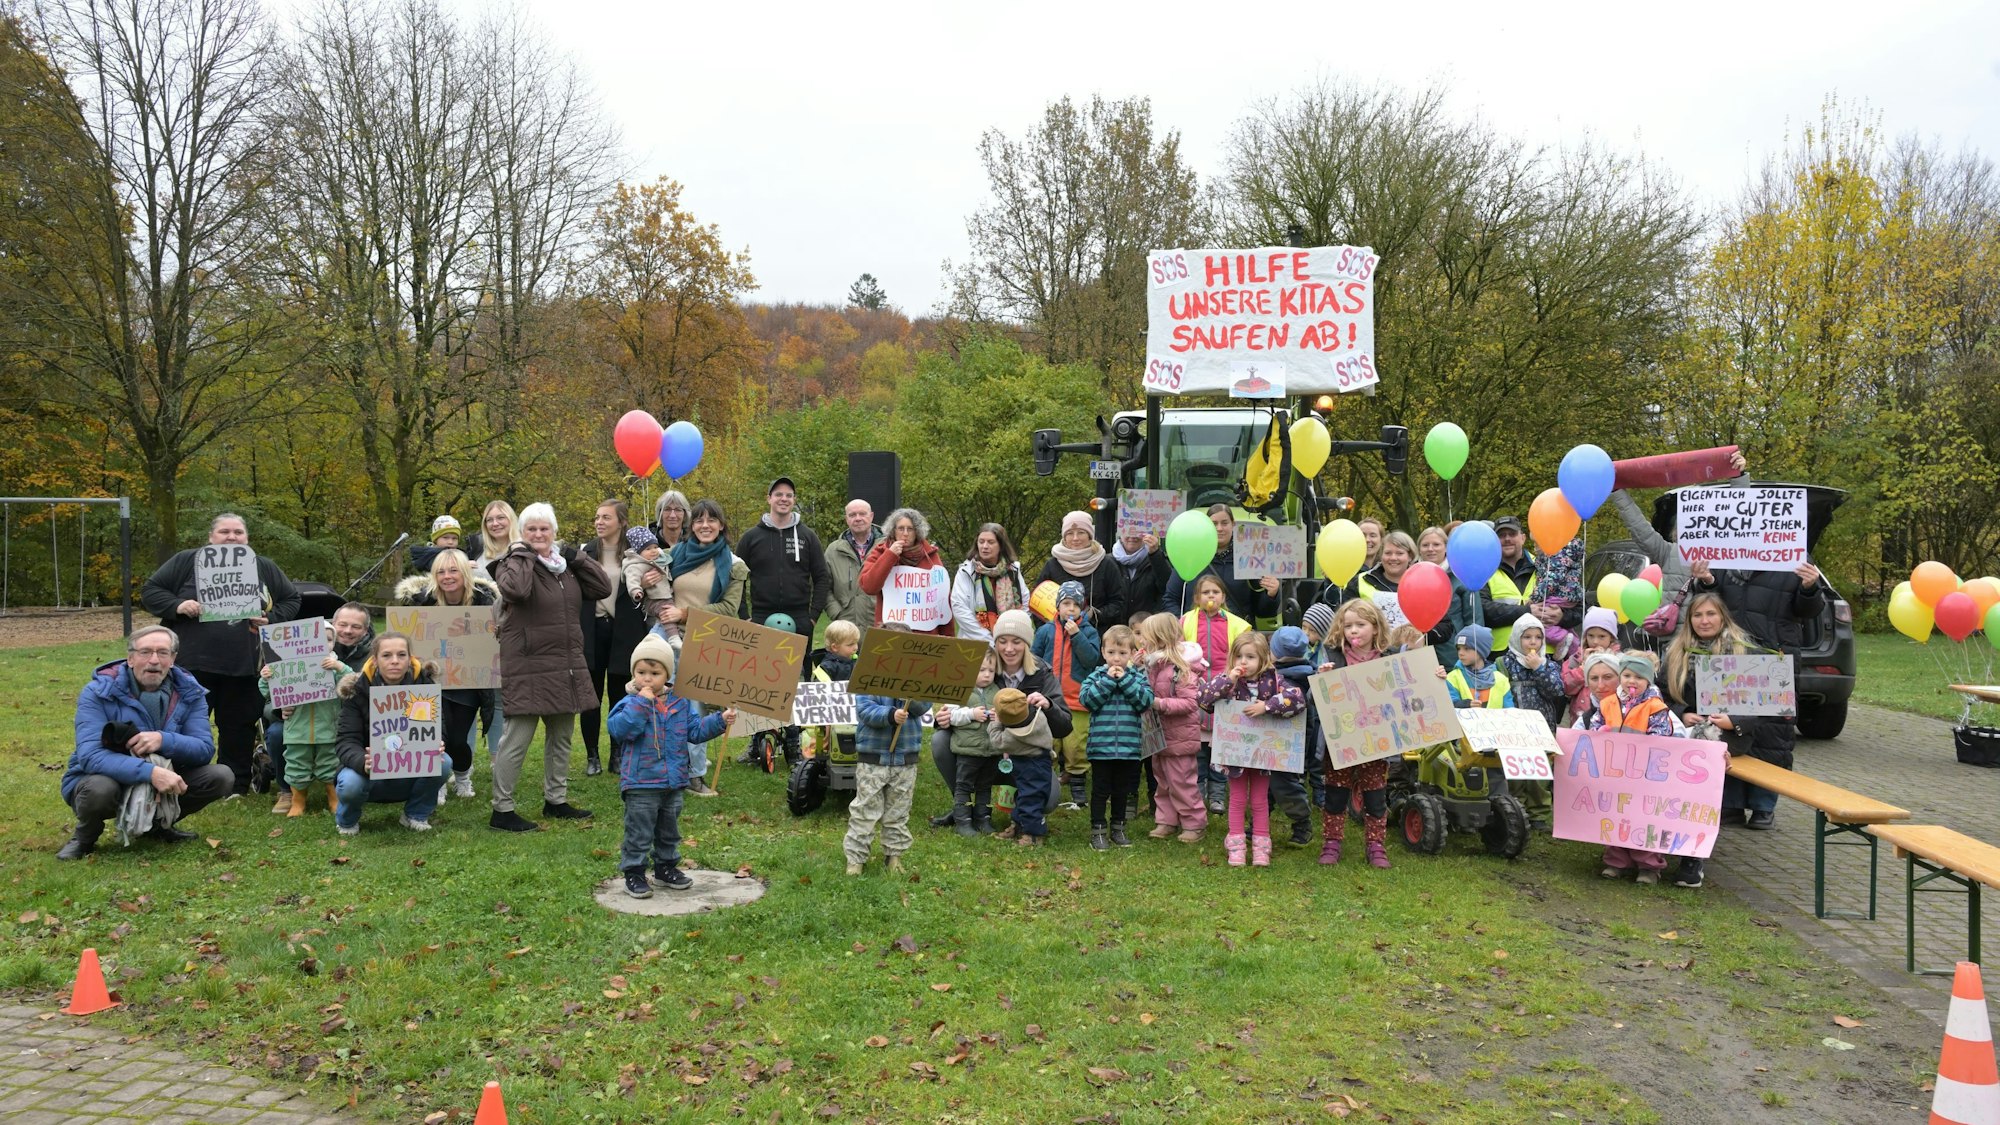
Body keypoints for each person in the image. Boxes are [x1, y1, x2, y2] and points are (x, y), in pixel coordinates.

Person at [139, 512, 301, 795]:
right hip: (191, 664)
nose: (231, 537)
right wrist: (178, 605)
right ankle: (177, 778)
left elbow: (292, 599)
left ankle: (235, 785)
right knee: (182, 723)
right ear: (211, 537)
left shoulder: (262, 566)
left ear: (247, 538)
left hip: (244, 664)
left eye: (238, 532)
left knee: (238, 726)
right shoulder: (187, 561)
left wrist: (271, 618)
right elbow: (151, 591)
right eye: (224, 531)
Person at [57, 625, 235, 859]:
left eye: (163, 653)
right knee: (99, 790)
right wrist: (151, 773)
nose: (154, 660)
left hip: (168, 773)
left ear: (172, 659)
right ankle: (85, 837)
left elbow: (203, 749)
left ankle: (158, 825)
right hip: (104, 777)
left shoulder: (190, 692)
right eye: (145, 652)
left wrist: (163, 740)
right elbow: (91, 756)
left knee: (221, 776)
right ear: (130, 658)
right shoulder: (97, 692)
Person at [487, 502, 612, 831]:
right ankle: (502, 810)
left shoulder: (565, 567)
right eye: (532, 529)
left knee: (561, 737)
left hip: (565, 664)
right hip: (528, 665)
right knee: (516, 740)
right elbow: (516, 590)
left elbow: (602, 587)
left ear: (554, 532)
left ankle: (556, 800)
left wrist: (577, 557)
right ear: (522, 533)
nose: (539, 535)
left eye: (545, 529)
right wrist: (524, 554)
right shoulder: (512, 563)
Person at [1661, 592, 1793, 887]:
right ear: (1689, 620)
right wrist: (1682, 713)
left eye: (1710, 614)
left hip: (1729, 737)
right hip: (1685, 731)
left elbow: (1767, 704)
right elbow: (1661, 695)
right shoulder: (1675, 652)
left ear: (1723, 617)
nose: (1704, 621)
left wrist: (1735, 721)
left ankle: (1692, 858)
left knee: (1697, 774)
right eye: (1697, 615)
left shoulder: (1745, 652)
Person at [606, 634, 733, 899]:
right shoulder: (629, 703)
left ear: (668, 674)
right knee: (639, 830)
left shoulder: (679, 703)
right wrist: (642, 703)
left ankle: (665, 867)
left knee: (669, 830)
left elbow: (695, 731)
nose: (647, 679)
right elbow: (620, 730)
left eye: (654, 672)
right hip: (641, 783)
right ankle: (634, 872)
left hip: (673, 782)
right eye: (641, 672)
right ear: (634, 674)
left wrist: (719, 720)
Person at [654, 499, 745, 795]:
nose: (705, 526)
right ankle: (653, 767)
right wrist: (646, 574)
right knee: (653, 698)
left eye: (712, 520)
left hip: (704, 639)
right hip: (666, 636)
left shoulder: (734, 565)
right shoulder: (674, 554)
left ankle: (694, 775)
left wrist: (685, 614)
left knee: (693, 707)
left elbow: (730, 609)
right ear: (691, 525)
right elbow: (639, 563)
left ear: (721, 525)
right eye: (699, 520)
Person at [1196, 631, 1307, 868]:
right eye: (1239, 656)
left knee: (1259, 800)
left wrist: (1267, 706)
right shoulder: (1229, 680)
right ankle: (1236, 845)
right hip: (1235, 754)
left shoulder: (1275, 679)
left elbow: (1297, 699)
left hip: (1262, 754)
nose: (1244, 662)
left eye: (1250, 657)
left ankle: (1261, 846)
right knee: (1237, 798)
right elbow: (1204, 700)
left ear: (1264, 659)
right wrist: (1228, 679)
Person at [393, 550, 496, 800]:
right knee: (434, 735)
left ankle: (462, 775)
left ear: (464, 573)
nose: (447, 577)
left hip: (469, 682)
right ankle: (436, 780)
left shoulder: (485, 601)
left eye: (453, 571)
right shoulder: (422, 600)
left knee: (458, 739)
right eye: (441, 571)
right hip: (430, 682)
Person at [1573, 650, 1681, 885]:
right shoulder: (1609, 703)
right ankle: (1616, 861)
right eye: (1628, 675)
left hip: (1644, 774)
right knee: (1617, 815)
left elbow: (1662, 735)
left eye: (1639, 678)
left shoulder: (1655, 706)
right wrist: (1598, 735)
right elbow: (1596, 725)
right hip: (1615, 772)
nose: (1632, 681)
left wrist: (1648, 745)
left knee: (1643, 819)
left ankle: (1649, 865)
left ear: (1648, 681)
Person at [332, 632, 452, 835]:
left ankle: (415, 814)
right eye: (386, 655)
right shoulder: (358, 691)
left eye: (401, 655)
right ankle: (347, 821)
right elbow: (346, 741)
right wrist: (363, 761)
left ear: (410, 658)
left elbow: (439, 728)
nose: (395, 661)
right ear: (375, 660)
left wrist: (437, 742)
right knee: (350, 783)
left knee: (444, 762)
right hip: (368, 773)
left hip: (411, 766)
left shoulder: (424, 687)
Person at [258, 601, 370, 817]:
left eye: (356, 627)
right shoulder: (291, 659)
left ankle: (335, 795)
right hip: (297, 726)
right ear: (333, 623)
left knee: (330, 764)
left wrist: (339, 668)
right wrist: (278, 705)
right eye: (343, 624)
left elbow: (354, 685)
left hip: (332, 724)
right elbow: (269, 692)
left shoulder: (367, 655)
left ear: (365, 630)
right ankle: (292, 796)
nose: (348, 630)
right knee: (294, 761)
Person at [1315, 601, 1397, 867]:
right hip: (1341, 740)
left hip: (1377, 740)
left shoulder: (1390, 658)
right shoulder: (1331, 656)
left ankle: (1375, 845)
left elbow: (1407, 691)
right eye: (1347, 625)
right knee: (1336, 792)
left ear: (1375, 628)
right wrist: (1320, 680)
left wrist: (1435, 676)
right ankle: (1331, 842)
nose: (1353, 631)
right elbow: (1312, 698)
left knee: (1375, 794)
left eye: (1360, 625)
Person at [845, 624, 931, 876]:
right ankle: (856, 859)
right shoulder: (867, 674)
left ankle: (894, 857)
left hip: (905, 757)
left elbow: (924, 705)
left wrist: (911, 697)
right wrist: (890, 714)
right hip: (873, 757)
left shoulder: (918, 677)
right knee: (865, 810)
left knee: (898, 812)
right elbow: (864, 709)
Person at [987, 610, 1074, 842]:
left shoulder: (1042, 672)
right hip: (992, 752)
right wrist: (947, 715)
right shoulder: (984, 670)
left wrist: (1048, 705)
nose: (1009, 649)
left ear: (1027, 643)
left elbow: (1065, 726)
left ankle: (1028, 826)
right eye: (1002, 642)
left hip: (1030, 756)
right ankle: (970, 811)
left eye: (1016, 642)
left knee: (1046, 794)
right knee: (942, 741)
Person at [580, 500, 649, 777]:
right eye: (597, 517)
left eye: (606, 517)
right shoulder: (586, 552)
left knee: (620, 695)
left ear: (621, 521)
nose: (599, 522)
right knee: (591, 697)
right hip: (592, 630)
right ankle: (592, 755)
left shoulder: (635, 554)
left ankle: (618, 753)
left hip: (625, 631)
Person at [1078, 624, 1155, 851]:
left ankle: (1119, 827)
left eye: (1122, 654)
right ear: (1103, 653)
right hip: (1101, 748)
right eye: (1111, 653)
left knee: (1123, 790)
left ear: (1132, 654)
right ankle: (1098, 829)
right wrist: (1109, 681)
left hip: (1129, 748)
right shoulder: (1096, 677)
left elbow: (1145, 702)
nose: (1117, 659)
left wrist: (1125, 681)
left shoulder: (1137, 678)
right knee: (1100, 790)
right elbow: (1088, 701)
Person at [1181, 573, 1248, 814]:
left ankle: (1218, 793)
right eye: (1206, 592)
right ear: (1197, 598)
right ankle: (1198, 790)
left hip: (1225, 691)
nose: (1211, 596)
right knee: (1197, 747)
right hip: (1194, 690)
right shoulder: (1186, 621)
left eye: (1215, 592)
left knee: (1221, 747)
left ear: (1223, 597)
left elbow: (1244, 651)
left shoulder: (1235, 624)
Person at [1137, 613, 1206, 843]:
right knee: (1162, 780)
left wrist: (1159, 704)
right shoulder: (1154, 664)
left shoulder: (1181, 669)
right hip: (1158, 734)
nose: (1142, 642)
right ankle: (1166, 820)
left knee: (1182, 781)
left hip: (1180, 736)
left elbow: (1189, 703)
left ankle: (1194, 823)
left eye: (1146, 637)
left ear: (1159, 638)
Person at [737, 476, 831, 645]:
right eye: (778, 494)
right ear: (769, 498)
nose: (784, 499)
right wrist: (744, 615)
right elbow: (737, 579)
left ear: (794, 500)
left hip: (800, 619)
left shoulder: (808, 536)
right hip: (760, 617)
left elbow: (822, 577)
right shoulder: (750, 537)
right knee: (760, 670)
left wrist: (813, 616)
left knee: (800, 671)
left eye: (789, 495)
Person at [1032, 581, 1101, 811]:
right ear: (1057, 606)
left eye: (1075, 605)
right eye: (1066, 604)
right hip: (1049, 699)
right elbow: (1034, 659)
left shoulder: (1089, 631)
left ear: (1082, 608)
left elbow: (1092, 659)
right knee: (1049, 742)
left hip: (1078, 700)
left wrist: (1078, 636)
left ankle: (1078, 787)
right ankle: (1046, 785)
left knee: (1075, 746)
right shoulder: (1045, 631)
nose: (1070, 609)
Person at [1159, 505, 1277, 624]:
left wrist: (1271, 595)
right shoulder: (1191, 555)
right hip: (1197, 636)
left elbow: (1263, 612)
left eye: (1224, 523)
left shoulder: (1249, 558)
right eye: (1214, 524)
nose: (1219, 528)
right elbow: (1170, 599)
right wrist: (1181, 626)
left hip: (1238, 638)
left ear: (1233, 524)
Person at [1265, 626, 1321, 850]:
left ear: (1275, 652)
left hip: (1288, 742)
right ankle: (1259, 822)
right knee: (1265, 781)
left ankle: (1302, 824)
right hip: (1283, 738)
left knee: (1284, 783)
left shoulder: (1289, 677)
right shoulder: (1309, 671)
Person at [859, 507, 954, 634]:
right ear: (893, 531)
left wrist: (948, 637)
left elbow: (942, 598)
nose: (905, 533)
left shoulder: (930, 555)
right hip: (891, 632)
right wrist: (890, 555)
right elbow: (869, 586)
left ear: (917, 532)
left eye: (910, 529)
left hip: (926, 634)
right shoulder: (880, 552)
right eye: (900, 528)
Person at [941, 651, 1001, 837]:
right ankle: (963, 820)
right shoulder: (960, 690)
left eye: (991, 670)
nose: (986, 674)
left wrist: (999, 717)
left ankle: (983, 818)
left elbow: (1005, 712)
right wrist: (971, 714)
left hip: (991, 750)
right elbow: (951, 716)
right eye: (981, 670)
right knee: (964, 786)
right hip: (967, 749)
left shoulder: (997, 691)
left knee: (985, 786)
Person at [1036, 510, 1126, 627]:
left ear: (1089, 535)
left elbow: (1118, 602)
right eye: (1070, 533)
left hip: (1096, 637)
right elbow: (1037, 602)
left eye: (1081, 532)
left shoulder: (1106, 564)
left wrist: (1095, 615)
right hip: (1058, 638)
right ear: (1064, 537)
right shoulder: (1052, 565)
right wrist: (1047, 635)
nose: (1075, 538)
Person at [989, 686, 1054, 847]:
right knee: (1022, 795)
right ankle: (1018, 825)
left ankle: (1033, 835)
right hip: (1039, 761)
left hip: (1031, 765)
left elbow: (997, 741)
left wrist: (996, 723)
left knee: (1031, 799)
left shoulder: (1012, 736)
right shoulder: (1038, 716)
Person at [950, 523, 1028, 642]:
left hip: (1010, 644)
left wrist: (1012, 636)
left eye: (990, 542)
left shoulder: (1013, 570)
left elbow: (1025, 602)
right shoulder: (966, 571)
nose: (985, 546)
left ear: (1001, 545)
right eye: (981, 542)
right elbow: (959, 608)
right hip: (975, 644)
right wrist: (988, 640)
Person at [1496, 617, 1565, 730]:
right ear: (1516, 638)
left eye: (1538, 637)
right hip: (1514, 726)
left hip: (1542, 727)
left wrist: (1539, 669)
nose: (1533, 642)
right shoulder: (1505, 663)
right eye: (1527, 637)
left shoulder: (1549, 665)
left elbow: (1557, 692)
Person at [824, 498, 880, 633]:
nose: (858, 518)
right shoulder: (833, 550)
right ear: (846, 519)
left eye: (862, 514)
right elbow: (823, 586)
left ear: (871, 516)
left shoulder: (888, 548)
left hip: (880, 624)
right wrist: (836, 613)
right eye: (852, 515)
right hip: (846, 627)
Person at [1561, 607, 1623, 721]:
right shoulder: (1576, 658)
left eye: (1602, 636)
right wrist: (1583, 668)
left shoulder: (1620, 660)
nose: (1595, 641)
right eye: (1591, 636)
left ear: (1612, 637)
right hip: (1580, 718)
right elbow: (1565, 687)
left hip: (1610, 717)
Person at [622, 526, 676, 637]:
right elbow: (632, 579)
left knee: (669, 615)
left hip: (667, 595)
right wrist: (637, 590)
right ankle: (673, 637)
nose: (653, 551)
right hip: (654, 599)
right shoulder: (636, 565)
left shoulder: (659, 558)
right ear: (639, 552)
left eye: (655, 547)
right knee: (666, 614)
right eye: (648, 549)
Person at [1110, 530, 1171, 629]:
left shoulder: (1156, 559)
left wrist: (1155, 555)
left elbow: (1166, 587)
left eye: (1138, 532)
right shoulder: (1109, 561)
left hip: (1147, 631)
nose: (1132, 537)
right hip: (1116, 632)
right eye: (1128, 531)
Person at [1446, 624, 1513, 709]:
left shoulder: (1501, 679)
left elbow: (1509, 711)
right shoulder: (1452, 678)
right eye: (1458, 648)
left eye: (1466, 648)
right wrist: (1465, 704)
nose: (1461, 653)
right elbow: (1448, 704)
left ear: (1481, 650)